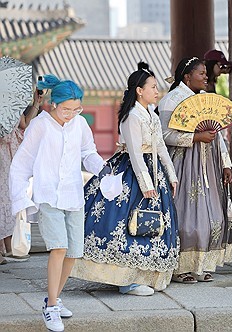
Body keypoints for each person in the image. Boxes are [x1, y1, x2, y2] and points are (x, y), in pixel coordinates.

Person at [9, 74, 108, 332]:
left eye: (77, 109)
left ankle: (54, 297)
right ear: (54, 104)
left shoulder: (79, 124)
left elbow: (88, 152)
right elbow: (21, 164)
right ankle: (51, 306)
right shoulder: (40, 126)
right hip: (48, 195)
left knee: (74, 252)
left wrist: (103, 170)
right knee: (59, 248)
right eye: (66, 109)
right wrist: (20, 199)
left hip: (73, 194)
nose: (71, 114)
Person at [71, 62, 180, 296]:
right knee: (125, 222)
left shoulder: (151, 113)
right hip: (134, 173)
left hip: (154, 171)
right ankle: (126, 280)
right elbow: (135, 152)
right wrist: (147, 185)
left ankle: (146, 275)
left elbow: (160, 147)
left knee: (153, 225)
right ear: (139, 90)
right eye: (152, 86)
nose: (156, 90)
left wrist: (171, 175)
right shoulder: (132, 116)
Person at [158, 57, 232, 284]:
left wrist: (225, 163)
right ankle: (178, 267)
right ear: (186, 76)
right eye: (201, 73)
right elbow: (164, 136)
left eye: (205, 73)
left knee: (212, 214)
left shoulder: (206, 100)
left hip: (209, 162)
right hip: (183, 163)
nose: (206, 77)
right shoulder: (170, 101)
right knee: (185, 215)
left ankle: (201, 264)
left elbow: (219, 134)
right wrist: (195, 137)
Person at [0, 91, 42, 264]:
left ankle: (9, 244)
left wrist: (36, 103)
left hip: (10, 154)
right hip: (2, 152)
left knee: (9, 196)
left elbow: (23, 124)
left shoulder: (9, 99)